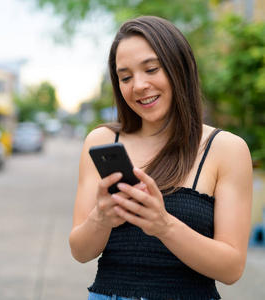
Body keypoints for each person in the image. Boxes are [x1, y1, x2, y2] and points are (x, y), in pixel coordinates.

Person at [71, 16, 253, 300]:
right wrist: (101, 217)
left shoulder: (226, 149)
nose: (139, 85)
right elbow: (80, 251)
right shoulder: (102, 142)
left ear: (180, 68)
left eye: (151, 69)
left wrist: (163, 225)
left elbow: (232, 269)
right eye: (126, 77)